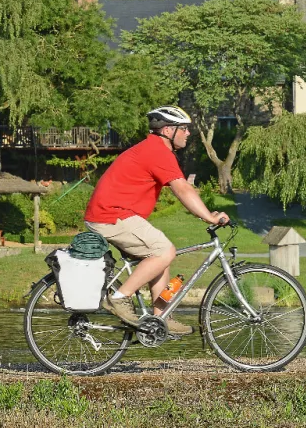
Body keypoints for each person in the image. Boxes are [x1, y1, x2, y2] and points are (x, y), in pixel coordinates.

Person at [84, 106, 230, 335]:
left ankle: (161, 316)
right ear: (169, 130)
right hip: (110, 215)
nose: (188, 134)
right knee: (164, 250)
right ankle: (119, 298)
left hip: (113, 214)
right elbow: (182, 189)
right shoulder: (157, 152)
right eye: (184, 129)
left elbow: (183, 188)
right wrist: (209, 216)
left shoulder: (154, 149)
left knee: (160, 254)